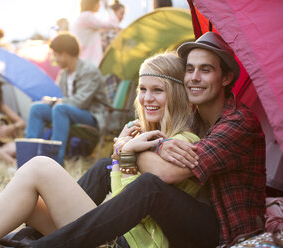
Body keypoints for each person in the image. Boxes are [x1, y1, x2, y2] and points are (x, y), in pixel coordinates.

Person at [0, 52, 196, 248]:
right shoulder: (144, 133)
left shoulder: (182, 141)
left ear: (177, 94)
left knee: (40, 167)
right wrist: (124, 155)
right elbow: (123, 194)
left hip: (126, 242)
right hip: (113, 231)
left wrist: (125, 153)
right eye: (143, 89)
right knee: (26, 198)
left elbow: (136, 203)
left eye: (157, 90)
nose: (147, 98)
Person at [26, 32, 266, 248]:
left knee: (150, 186)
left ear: (226, 78)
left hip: (221, 231)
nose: (194, 77)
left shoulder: (238, 123)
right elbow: (148, 146)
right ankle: (32, 236)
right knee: (104, 167)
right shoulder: (195, 116)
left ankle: (49, 245)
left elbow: (168, 174)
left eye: (205, 70)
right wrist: (139, 142)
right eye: (189, 69)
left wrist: (130, 149)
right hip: (185, 215)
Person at [25, 33, 108, 165]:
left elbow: (81, 101)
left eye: (56, 54)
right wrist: (50, 101)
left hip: (91, 116)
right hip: (67, 113)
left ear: (64, 54)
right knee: (37, 108)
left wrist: (53, 102)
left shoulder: (89, 71)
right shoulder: (64, 74)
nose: (54, 59)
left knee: (60, 109)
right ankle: (28, 159)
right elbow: (61, 99)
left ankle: (54, 161)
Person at [70, 0, 120, 66]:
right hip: (91, 62)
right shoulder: (87, 16)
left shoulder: (81, 18)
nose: (99, 5)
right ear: (93, 4)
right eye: (98, 3)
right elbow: (113, 24)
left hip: (85, 61)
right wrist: (107, 7)